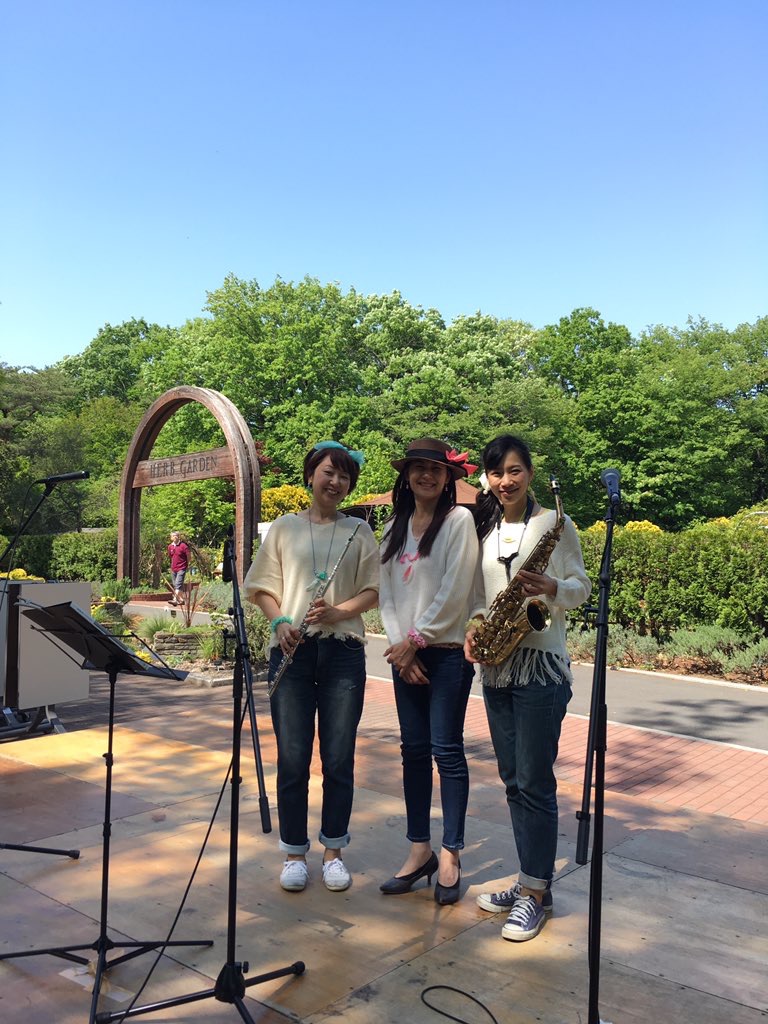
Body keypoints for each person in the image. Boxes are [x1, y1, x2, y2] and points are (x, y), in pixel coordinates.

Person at [465, 434, 591, 941]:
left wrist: (553, 588)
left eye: (515, 470)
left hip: (540, 669)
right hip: (497, 668)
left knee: (534, 781)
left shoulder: (556, 526)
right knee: (513, 780)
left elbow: (582, 587)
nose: (506, 480)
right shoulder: (488, 530)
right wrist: (476, 625)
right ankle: (530, 882)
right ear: (487, 478)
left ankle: (535, 895)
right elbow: (479, 596)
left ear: (530, 474)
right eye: (497, 472)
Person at [244, 441, 379, 894]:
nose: (335, 482)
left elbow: (374, 590)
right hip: (292, 650)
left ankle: (334, 851)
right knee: (293, 756)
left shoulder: (359, 531)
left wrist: (340, 611)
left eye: (344, 476)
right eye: (328, 472)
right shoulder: (284, 528)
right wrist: (279, 621)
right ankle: (294, 853)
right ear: (310, 475)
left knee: (338, 756)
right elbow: (261, 586)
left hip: (343, 651)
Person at [378, 438, 479, 905]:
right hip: (406, 656)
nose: (426, 475)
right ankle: (419, 850)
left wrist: (415, 641)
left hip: (447, 654)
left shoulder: (458, 522)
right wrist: (402, 648)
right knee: (413, 752)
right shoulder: (394, 527)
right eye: (418, 468)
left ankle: (451, 852)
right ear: (407, 476)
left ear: (447, 478)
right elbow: (386, 594)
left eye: (435, 470)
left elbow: (456, 591)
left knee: (447, 750)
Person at [167, 531, 190, 605]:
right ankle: (181, 600)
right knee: (176, 585)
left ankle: (175, 600)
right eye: (173, 536)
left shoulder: (183, 546)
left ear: (178, 536)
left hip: (182, 568)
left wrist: (187, 565)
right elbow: (170, 556)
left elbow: (188, 556)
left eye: (175, 535)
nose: (174, 537)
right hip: (174, 568)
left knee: (178, 584)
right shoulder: (170, 546)